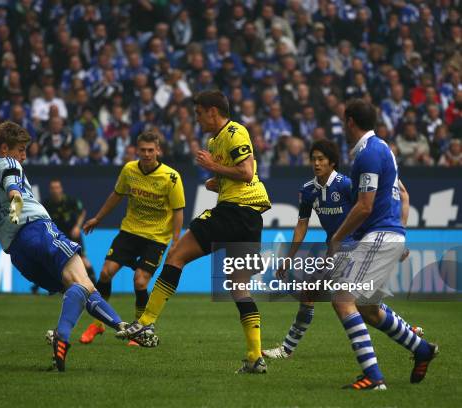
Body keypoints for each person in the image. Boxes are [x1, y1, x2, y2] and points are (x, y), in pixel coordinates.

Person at [117, 90, 272, 374]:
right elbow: (237, 174)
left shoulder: (235, 132)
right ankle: (254, 357)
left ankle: (146, 321)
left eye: (199, 113)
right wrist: (218, 180)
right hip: (250, 219)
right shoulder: (215, 140)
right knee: (239, 288)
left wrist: (214, 167)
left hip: (234, 212)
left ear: (213, 111)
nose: (197, 119)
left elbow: (247, 172)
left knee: (176, 256)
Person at [0, 121, 127, 372]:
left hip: (17, 251)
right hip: (36, 229)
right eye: (20, 150)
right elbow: (14, 193)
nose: (23, 156)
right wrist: (16, 212)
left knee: (76, 288)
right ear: (4, 148)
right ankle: (68, 334)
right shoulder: (9, 164)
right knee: (82, 282)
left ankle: (120, 327)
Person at [262, 140, 422, 359]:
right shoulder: (308, 191)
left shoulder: (346, 184)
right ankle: (410, 333)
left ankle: (286, 349)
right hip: (334, 251)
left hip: (355, 249)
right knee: (364, 303)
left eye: (321, 159)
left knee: (321, 295)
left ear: (332, 162)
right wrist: (289, 258)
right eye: (313, 159)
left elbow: (373, 208)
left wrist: (395, 240)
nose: (316, 163)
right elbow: (302, 225)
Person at [328, 99, 438, 390]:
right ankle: (421, 349)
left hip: (379, 235)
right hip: (388, 234)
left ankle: (374, 377)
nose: (342, 125)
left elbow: (364, 207)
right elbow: (403, 194)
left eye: (343, 120)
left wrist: (337, 237)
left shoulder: (368, 154)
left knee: (342, 299)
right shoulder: (383, 150)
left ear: (350, 121)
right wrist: (400, 233)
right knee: (369, 308)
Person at [80, 131, 185, 346]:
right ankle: (98, 324)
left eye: (151, 150)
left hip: (156, 237)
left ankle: (139, 329)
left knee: (139, 280)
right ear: (138, 150)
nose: (147, 154)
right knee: (105, 273)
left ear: (158, 150)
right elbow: (116, 195)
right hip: (129, 231)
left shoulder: (171, 177)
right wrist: (98, 218)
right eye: (143, 150)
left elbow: (178, 211)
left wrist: (175, 242)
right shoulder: (129, 170)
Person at [31, 179, 96, 295]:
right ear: (50, 190)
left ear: (61, 189)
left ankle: (95, 286)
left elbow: (82, 212)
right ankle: (41, 287)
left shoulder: (70, 201)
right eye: (53, 188)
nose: (55, 190)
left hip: (72, 234)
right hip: (56, 236)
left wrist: (77, 226)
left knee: (83, 260)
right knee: (49, 260)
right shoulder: (46, 204)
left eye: (57, 187)